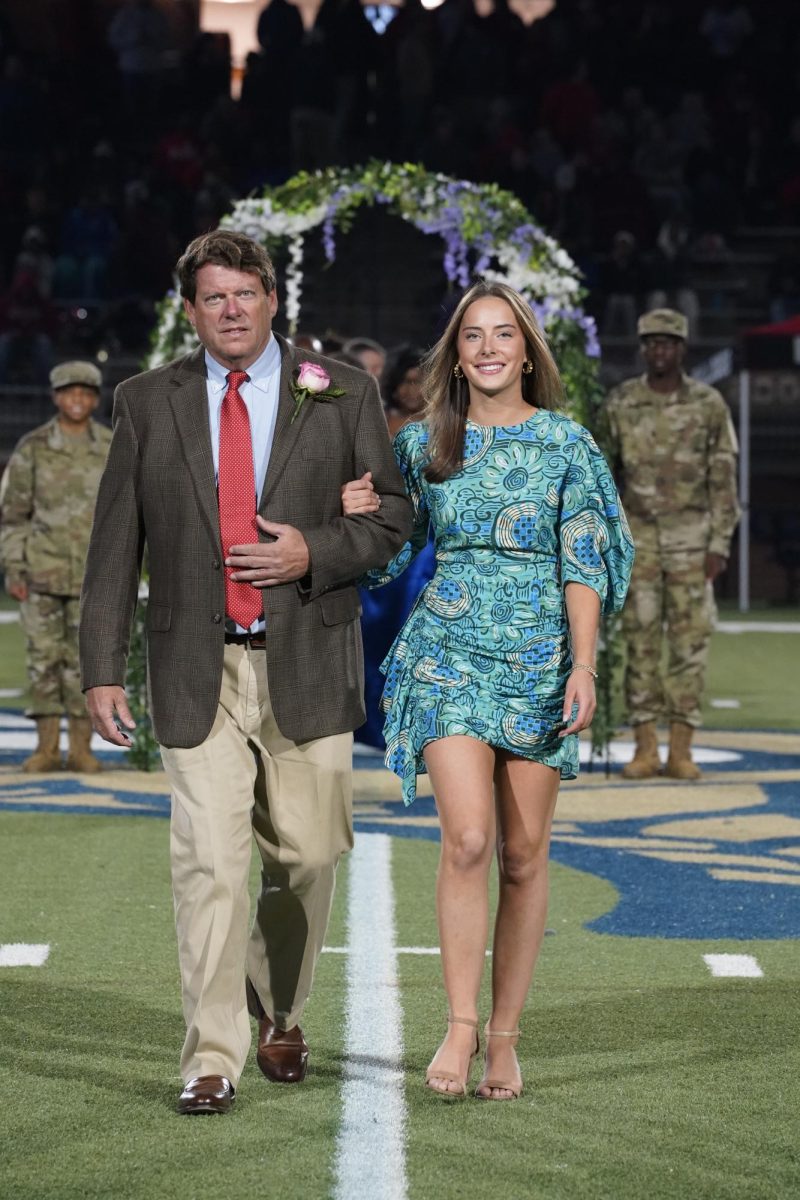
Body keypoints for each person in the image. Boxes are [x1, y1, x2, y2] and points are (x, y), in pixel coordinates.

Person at [78, 229, 411, 1115]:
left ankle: (279, 1009)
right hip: (196, 663)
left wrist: (314, 549)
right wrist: (100, 666)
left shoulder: (342, 391)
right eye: (212, 298)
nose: (230, 311)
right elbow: (117, 542)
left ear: (272, 299)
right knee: (211, 865)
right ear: (192, 311)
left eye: (244, 294)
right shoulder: (148, 401)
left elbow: (393, 518)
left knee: (305, 857)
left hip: (308, 657)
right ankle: (211, 1055)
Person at [343, 280, 633, 1100]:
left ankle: (505, 1037)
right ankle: (460, 1026)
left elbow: (584, 560)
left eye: (505, 333)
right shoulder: (422, 443)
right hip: (448, 653)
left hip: (542, 659)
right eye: (474, 335)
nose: (490, 346)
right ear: (456, 353)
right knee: (467, 839)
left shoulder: (567, 445)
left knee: (524, 852)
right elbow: (394, 557)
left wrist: (581, 664)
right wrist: (358, 516)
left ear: (527, 349)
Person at [601, 308, 740, 780]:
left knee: (689, 644)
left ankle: (681, 747)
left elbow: (723, 476)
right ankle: (644, 746)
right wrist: (607, 538)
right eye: (652, 343)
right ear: (643, 349)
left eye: (668, 343)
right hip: (638, 540)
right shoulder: (621, 402)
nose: (660, 350)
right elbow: (603, 476)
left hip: (692, 540)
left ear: (682, 349)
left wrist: (720, 541)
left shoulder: (708, 404)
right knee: (639, 641)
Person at [0, 361, 111, 773]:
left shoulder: (111, 446)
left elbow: (125, 515)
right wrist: (15, 569)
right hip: (42, 575)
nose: (77, 400)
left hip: (93, 578)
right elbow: (14, 516)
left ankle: (82, 749)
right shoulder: (33, 447)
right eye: (69, 392)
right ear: (55, 397)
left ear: (96, 399)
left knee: (89, 663)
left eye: (85, 393)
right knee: (43, 663)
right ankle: (46, 748)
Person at [380, 343, 426, 436]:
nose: (411, 390)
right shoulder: (379, 420)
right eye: (404, 382)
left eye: (417, 382)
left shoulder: (446, 423)